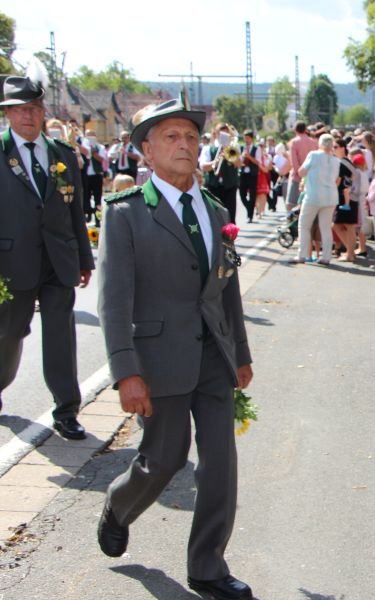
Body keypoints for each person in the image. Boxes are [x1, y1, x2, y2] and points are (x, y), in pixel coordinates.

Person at [96, 97, 254, 600]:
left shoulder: (216, 210)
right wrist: (126, 372)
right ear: (146, 151)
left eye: (190, 136)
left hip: (213, 356)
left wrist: (241, 353)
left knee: (220, 463)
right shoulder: (125, 214)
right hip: (158, 359)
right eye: (171, 137)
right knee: (163, 459)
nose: (184, 144)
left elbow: (226, 288)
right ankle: (119, 506)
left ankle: (207, 566)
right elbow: (113, 301)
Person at [0, 75, 94, 439]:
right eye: (21, 109)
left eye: (35, 108)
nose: (29, 115)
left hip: (58, 260)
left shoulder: (62, 154)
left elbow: (75, 212)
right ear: (8, 114)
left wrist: (84, 258)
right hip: (11, 262)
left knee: (60, 336)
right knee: (9, 333)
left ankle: (66, 409)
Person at [292, 134, 340, 265]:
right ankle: (326, 257)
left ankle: (302, 255)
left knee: (304, 225)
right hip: (330, 196)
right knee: (325, 227)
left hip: (314, 195)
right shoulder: (336, 160)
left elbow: (301, 171)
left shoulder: (314, 155)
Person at [199, 123, 240, 223]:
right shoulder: (208, 148)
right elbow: (203, 166)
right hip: (213, 185)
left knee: (230, 215)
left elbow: (238, 164)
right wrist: (215, 162)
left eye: (226, 133)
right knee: (214, 215)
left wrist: (228, 151)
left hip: (230, 186)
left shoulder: (233, 147)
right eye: (221, 133)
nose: (224, 135)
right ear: (216, 134)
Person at [287, 122, 319, 214]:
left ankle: (292, 219)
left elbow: (294, 161)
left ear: (295, 130)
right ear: (305, 130)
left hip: (297, 176)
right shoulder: (314, 142)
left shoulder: (294, 142)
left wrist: (299, 173)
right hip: (311, 176)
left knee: (291, 203)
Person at [238, 130, 262, 223]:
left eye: (247, 138)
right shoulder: (241, 147)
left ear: (251, 138)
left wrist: (249, 157)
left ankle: (250, 215)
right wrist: (242, 157)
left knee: (252, 195)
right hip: (243, 173)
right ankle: (249, 208)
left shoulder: (257, 148)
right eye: (245, 138)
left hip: (252, 174)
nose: (246, 140)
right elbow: (238, 160)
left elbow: (258, 162)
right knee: (242, 194)